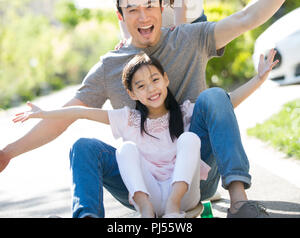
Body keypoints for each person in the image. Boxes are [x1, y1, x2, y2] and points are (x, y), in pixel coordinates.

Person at [1, 0, 300, 218]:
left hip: (198, 170)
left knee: (213, 97)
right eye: (132, 10)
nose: (143, 16)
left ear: (161, 7)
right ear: (121, 16)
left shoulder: (189, 38)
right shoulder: (110, 65)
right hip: (143, 183)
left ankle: (239, 204)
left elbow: (246, 18)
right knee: (83, 148)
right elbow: (66, 116)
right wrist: (8, 152)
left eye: (149, 6)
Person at [12, 49, 277, 218]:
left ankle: (228, 204)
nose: (150, 89)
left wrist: (258, 80)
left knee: (189, 137)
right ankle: (122, 214)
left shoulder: (185, 113)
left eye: (154, 80)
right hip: (146, 196)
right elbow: (80, 112)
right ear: (132, 94)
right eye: (140, 85)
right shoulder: (128, 119)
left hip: (184, 195)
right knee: (106, 147)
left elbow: (225, 103)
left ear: (165, 79)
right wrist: (44, 113)